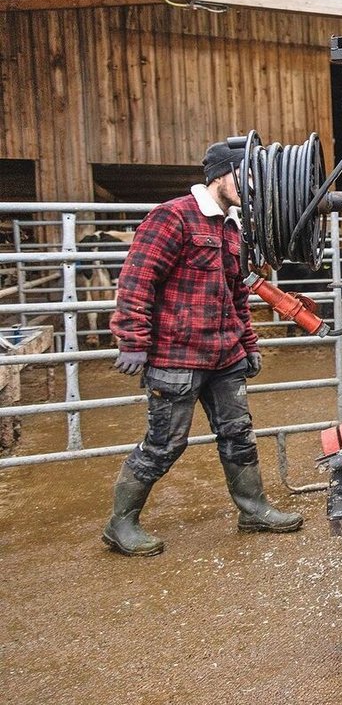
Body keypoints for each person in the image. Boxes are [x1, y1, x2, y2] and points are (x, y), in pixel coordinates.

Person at [102, 141, 302, 557]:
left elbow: (237, 294)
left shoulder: (232, 229)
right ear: (220, 175)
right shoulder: (173, 217)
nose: (252, 186)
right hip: (176, 357)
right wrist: (133, 339)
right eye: (245, 176)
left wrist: (248, 344)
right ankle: (120, 524)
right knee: (164, 444)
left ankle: (253, 510)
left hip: (224, 356)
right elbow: (137, 279)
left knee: (238, 434)